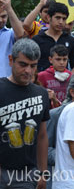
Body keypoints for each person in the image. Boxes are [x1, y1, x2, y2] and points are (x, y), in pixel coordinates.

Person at [0, 38, 50, 189]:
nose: (28, 70)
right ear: (11, 60)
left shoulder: (41, 93)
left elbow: (42, 135)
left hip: (28, 174)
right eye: (23, 64)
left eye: (33, 66)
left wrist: (43, 172)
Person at [32, 2, 74, 73]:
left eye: (64, 19)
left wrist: (69, 79)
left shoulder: (71, 40)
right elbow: (32, 64)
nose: (61, 22)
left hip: (64, 82)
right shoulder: (37, 40)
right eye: (57, 18)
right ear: (49, 17)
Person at [0, 0, 24, 78]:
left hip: (5, 84)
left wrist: (9, 8)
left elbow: (20, 34)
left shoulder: (10, 33)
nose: (0, 20)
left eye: (3, 16)